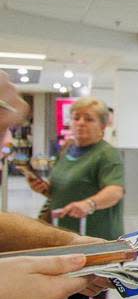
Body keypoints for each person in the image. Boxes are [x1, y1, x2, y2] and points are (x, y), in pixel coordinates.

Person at [0, 79, 106, 299]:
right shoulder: (67, 152)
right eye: (2, 128)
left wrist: (70, 242)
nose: (7, 143)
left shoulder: (105, 154)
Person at [28, 97, 125, 240]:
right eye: (76, 118)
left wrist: (89, 204)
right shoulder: (67, 149)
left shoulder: (107, 154)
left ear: (103, 126)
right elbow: (66, 189)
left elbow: (115, 191)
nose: (80, 123)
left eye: (89, 119)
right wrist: (44, 188)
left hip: (94, 236)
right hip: (64, 231)